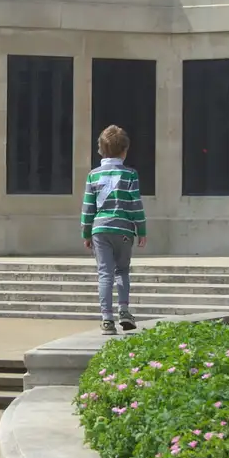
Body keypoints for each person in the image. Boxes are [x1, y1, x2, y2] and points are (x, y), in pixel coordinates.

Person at [82, 125, 148, 335]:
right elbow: (136, 204)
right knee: (122, 270)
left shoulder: (93, 176)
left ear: (100, 150)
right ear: (125, 150)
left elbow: (88, 207)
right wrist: (142, 229)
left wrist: (86, 232)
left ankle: (107, 319)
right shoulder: (130, 175)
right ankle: (125, 311)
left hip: (100, 228)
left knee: (104, 273)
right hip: (124, 229)